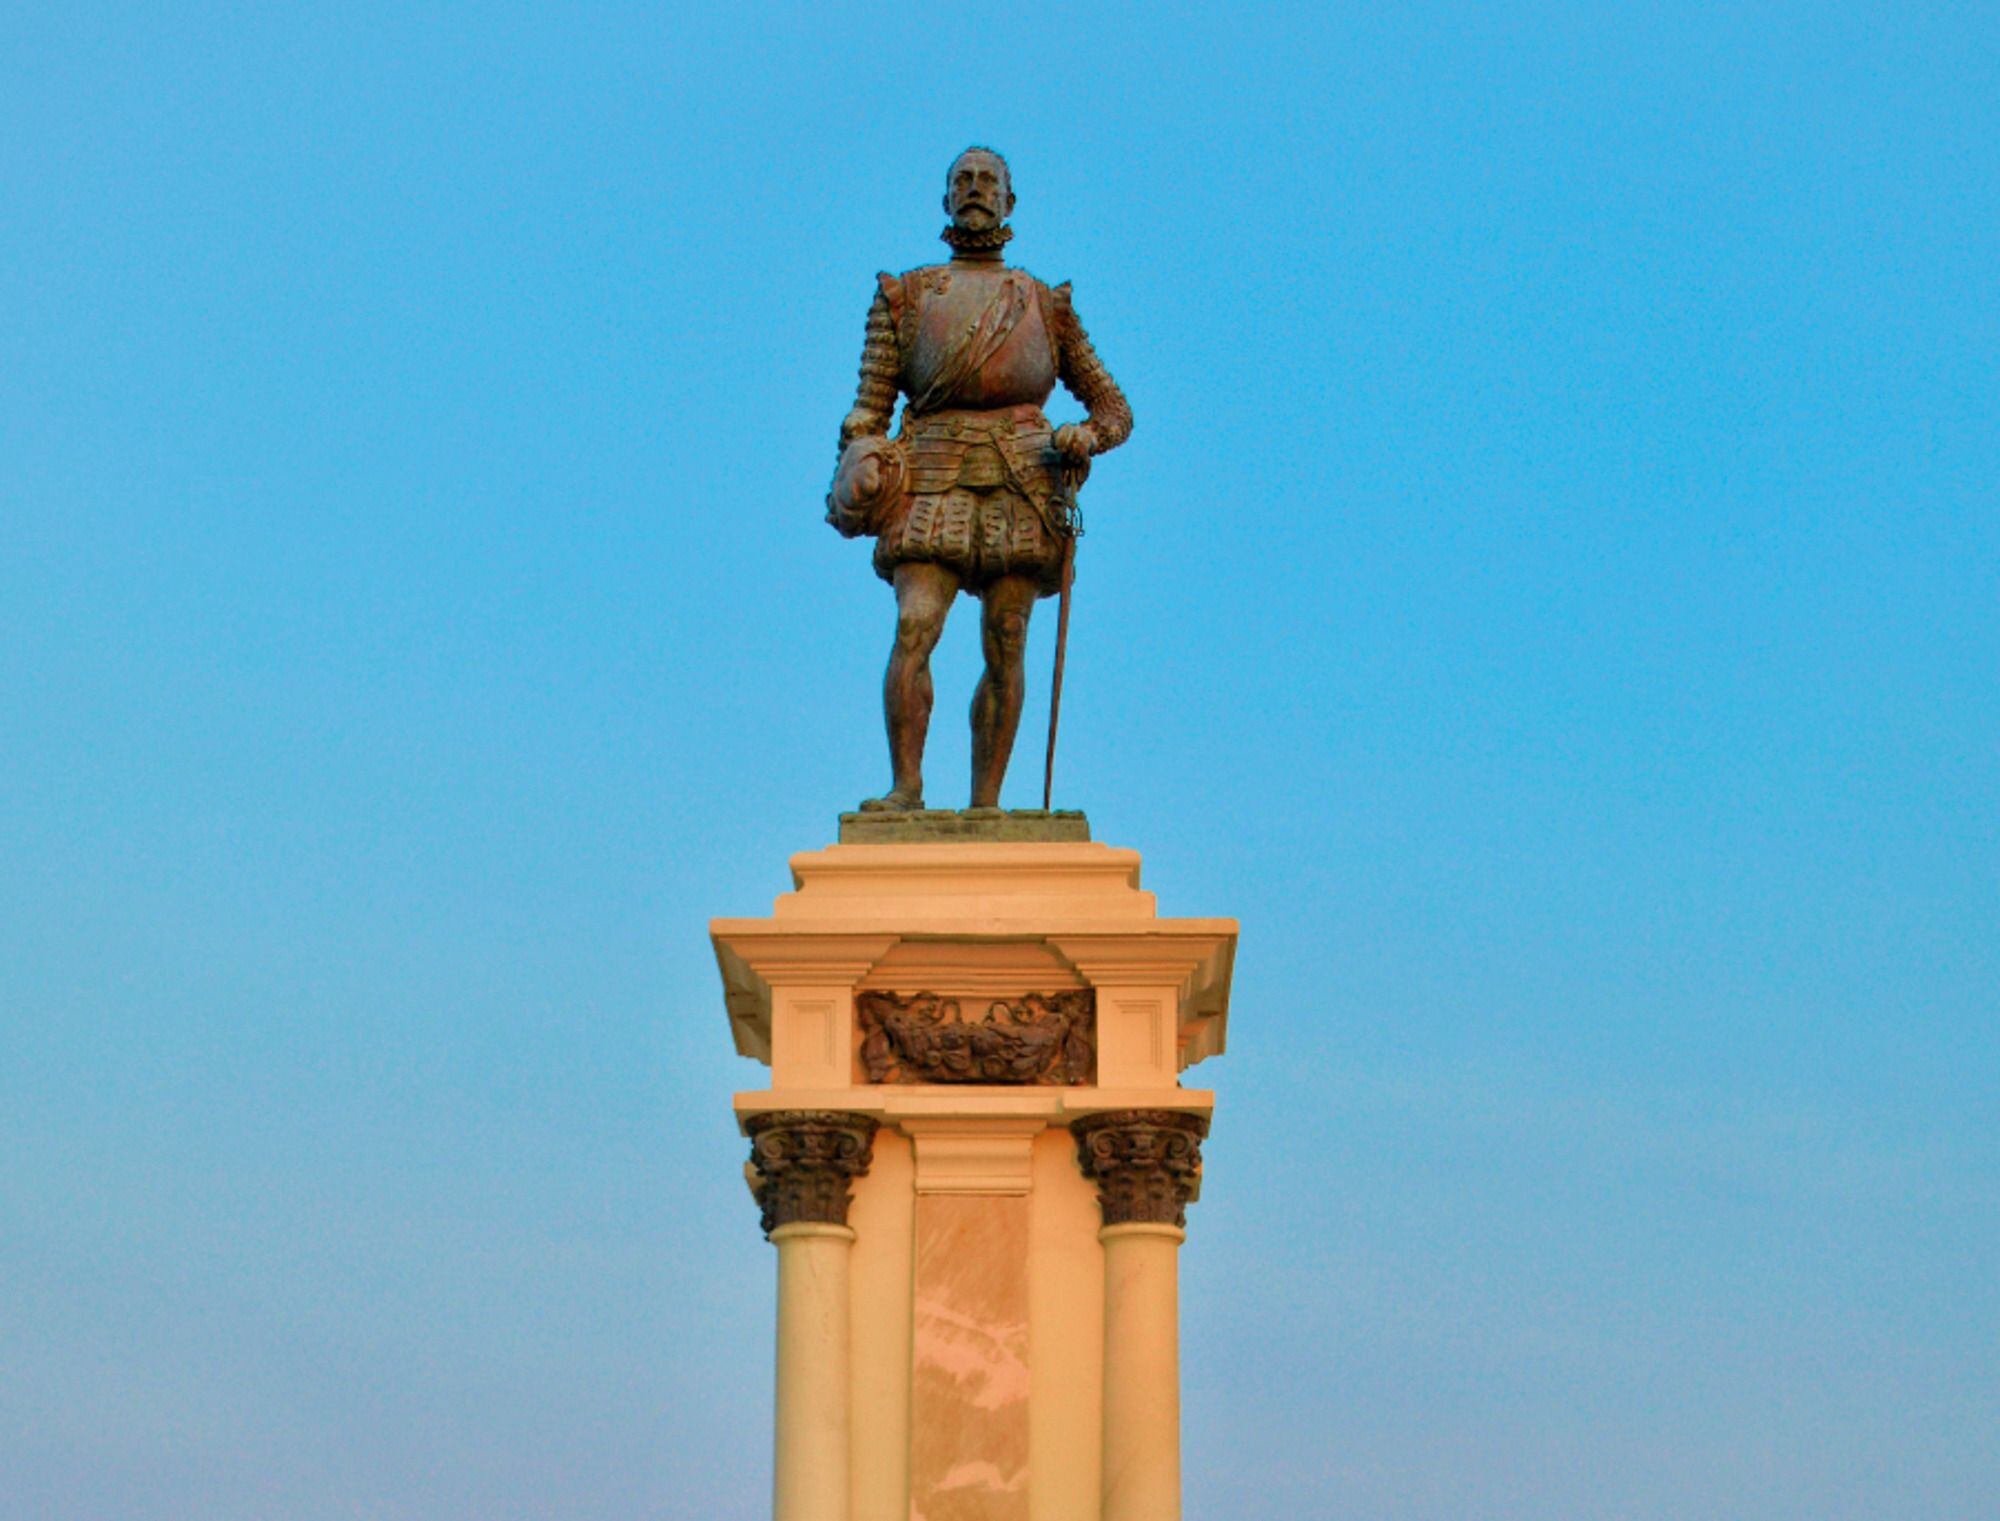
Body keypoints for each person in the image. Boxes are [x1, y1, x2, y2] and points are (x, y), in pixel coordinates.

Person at [829, 146, 1132, 812]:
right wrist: (862, 456)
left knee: (1006, 638)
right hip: (932, 470)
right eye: (961, 181)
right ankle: (906, 786)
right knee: (916, 625)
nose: (974, 189)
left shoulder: (1045, 305)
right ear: (945, 199)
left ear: (1008, 201)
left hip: (1023, 475)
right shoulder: (903, 298)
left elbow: (1113, 408)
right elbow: (869, 409)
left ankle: (986, 803)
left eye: (987, 181)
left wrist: (1088, 436)